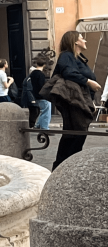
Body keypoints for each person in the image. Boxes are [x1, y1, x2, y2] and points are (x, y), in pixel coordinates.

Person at [51, 30, 102, 169]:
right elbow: (69, 73)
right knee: (74, 135)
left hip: (80, 101)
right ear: (75, 41)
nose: (85, 40)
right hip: (73, 102)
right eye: (82, 38)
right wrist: (88, 81)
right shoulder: (66, 56)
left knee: (78, 134)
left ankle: (70, 167)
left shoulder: (77, 57)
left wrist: (90, 101)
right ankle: (61, 168)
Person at [27, 50, 53, 131]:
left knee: (42, 110)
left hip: (36, 95)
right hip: (42, 96)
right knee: (46, 111)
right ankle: (44, 127)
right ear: (44, 65)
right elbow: (42, 86)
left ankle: (38, 125)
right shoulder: (41, 74)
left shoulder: (32, 74)